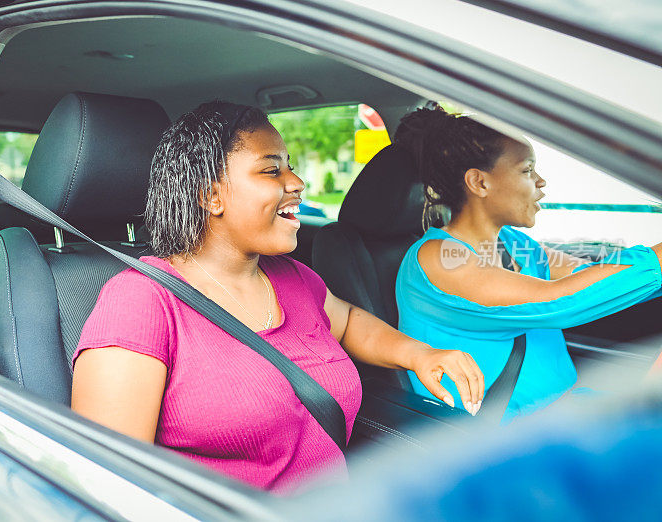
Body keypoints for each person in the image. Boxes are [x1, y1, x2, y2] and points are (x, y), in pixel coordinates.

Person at [70, 101, 484, 494]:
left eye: (291, 167)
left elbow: (351, 322)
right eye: (271, 171)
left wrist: (421, 355)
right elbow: (110, 485)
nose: (297, 183)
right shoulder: (141, 302)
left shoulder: (295, 280)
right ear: (210, 195)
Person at [395, 103, 662, 423]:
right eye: (526, 170)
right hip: (509, 442)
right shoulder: (436, 258)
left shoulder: (513, 243)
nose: (541, 182)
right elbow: (558, 299)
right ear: (479, 183)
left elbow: (588, 276)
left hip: (570, 412)